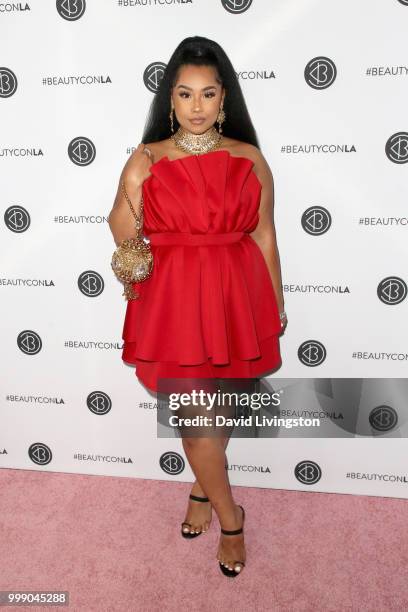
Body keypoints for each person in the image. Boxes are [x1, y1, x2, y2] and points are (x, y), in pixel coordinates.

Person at [108, 35, 288, 578]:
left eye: (208, 94)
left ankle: (202, 493)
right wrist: (131, 192)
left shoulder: (248, 158)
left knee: (220, 407)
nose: (196, 107)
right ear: (169, 100)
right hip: (175, 302)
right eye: (185, 94)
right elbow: (123, 234)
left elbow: (264, 237)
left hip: (237, 294)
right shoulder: (147, 158)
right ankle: (232, 519)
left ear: (224, 99)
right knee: (195, 418)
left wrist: (275, 302)